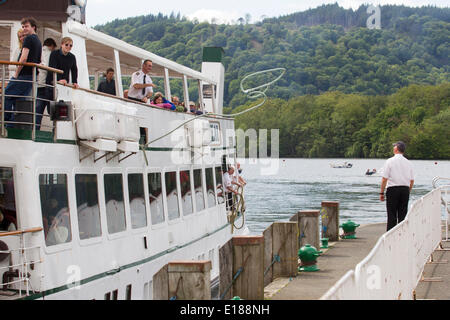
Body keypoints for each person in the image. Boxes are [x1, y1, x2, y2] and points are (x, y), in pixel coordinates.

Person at [3, 18, 42, 126]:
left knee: (6, 95)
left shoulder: (28, 39)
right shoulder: (38, 41)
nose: (24, 29)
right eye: (23, 27)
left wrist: (16, 74)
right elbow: (39, 60)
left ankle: (6, 122)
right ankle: (14, 126)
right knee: (19, 101)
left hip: (23, 75)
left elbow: (23, 58)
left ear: (33, 27)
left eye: (26, 26)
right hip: (31, 76)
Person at [379, 141, 414, 231]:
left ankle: (390, 234)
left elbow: (384, 178)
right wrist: (408, 190)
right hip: (405, 189)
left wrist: (381, 192)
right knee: (403, 214)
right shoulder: (408, 163)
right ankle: (402, 233)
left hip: (392, 189)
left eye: (394, 147)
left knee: (392, 214)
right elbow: (412, 180)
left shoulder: (390, 161)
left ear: (396, 149)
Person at [36, 38, 57, 130]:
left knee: (38, 112)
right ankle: (55, 130)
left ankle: (35, 130)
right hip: (47, 86)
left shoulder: (38, 51)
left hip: (38, 85)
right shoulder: (51, 54)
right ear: (52, 46)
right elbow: (50, 69)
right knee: (52, 111)